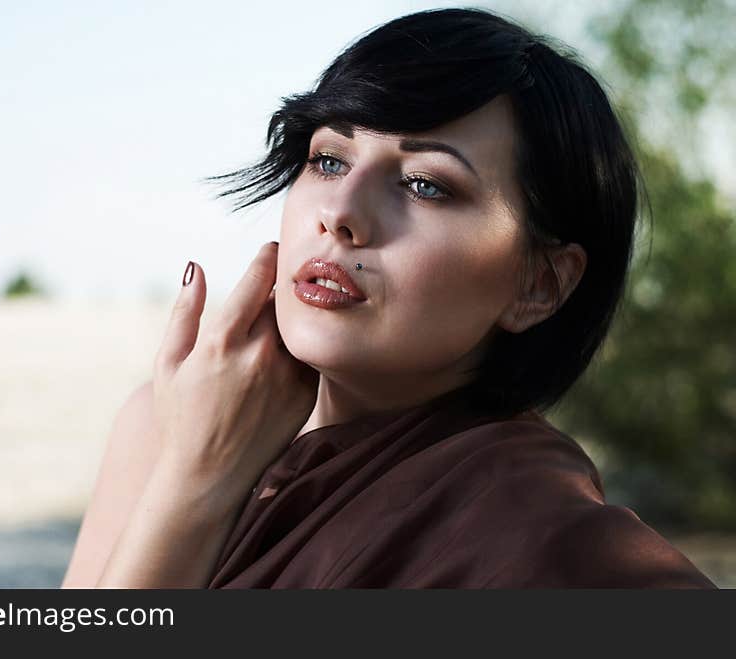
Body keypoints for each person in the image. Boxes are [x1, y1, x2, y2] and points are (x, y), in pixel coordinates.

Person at [61, 8, 716, 588]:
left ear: (538, 284)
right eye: (329, 160)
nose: (341, 213)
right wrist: (191, 480)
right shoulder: (164, 421)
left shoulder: (538, 534)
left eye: (425, 184)